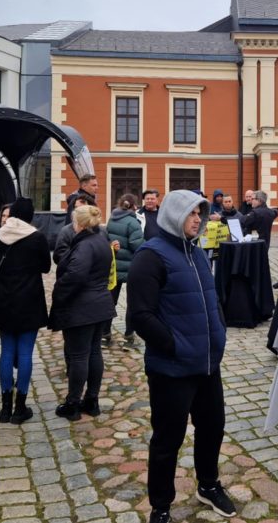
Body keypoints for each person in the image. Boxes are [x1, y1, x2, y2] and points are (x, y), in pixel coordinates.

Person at [128, 190, 236, 523]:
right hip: (171, 369)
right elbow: (140, 316)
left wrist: (218, 332)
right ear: (175, 215)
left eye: (200, 214)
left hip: (206, 364)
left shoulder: (198, 253)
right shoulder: (151, 256)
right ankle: (160, 505)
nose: (197, 220)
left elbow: (211, 298)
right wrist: (175, 346)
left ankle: (208, 484)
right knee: (167, 439)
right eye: (191, 213)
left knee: (212, 427)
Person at [0, 197, 51, 424]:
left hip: (3, 300)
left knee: (7, 351)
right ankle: (20, 408)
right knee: (26, 353)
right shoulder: (37, 237)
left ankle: (5, 408)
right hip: (30, 300)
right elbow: (46, 267)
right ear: (30, 216)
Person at [49, 205, 115, 420]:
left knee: (79, 356)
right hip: (99, 305)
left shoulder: (85, 245)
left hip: (82, 308)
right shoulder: (100, 241)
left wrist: (59, 294)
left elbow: (75, 276)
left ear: (79, 223)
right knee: (94, 353)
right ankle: (92, 401)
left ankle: (73, 403)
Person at [106, 193, 145, 344]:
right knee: (132, 301)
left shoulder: (111, 219)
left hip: (114, 266)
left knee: (110, 300)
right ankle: (129, 333)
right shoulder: (132, 222)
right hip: (130, 267)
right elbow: (137, 245)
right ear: (135, 206)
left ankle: (105, 332)